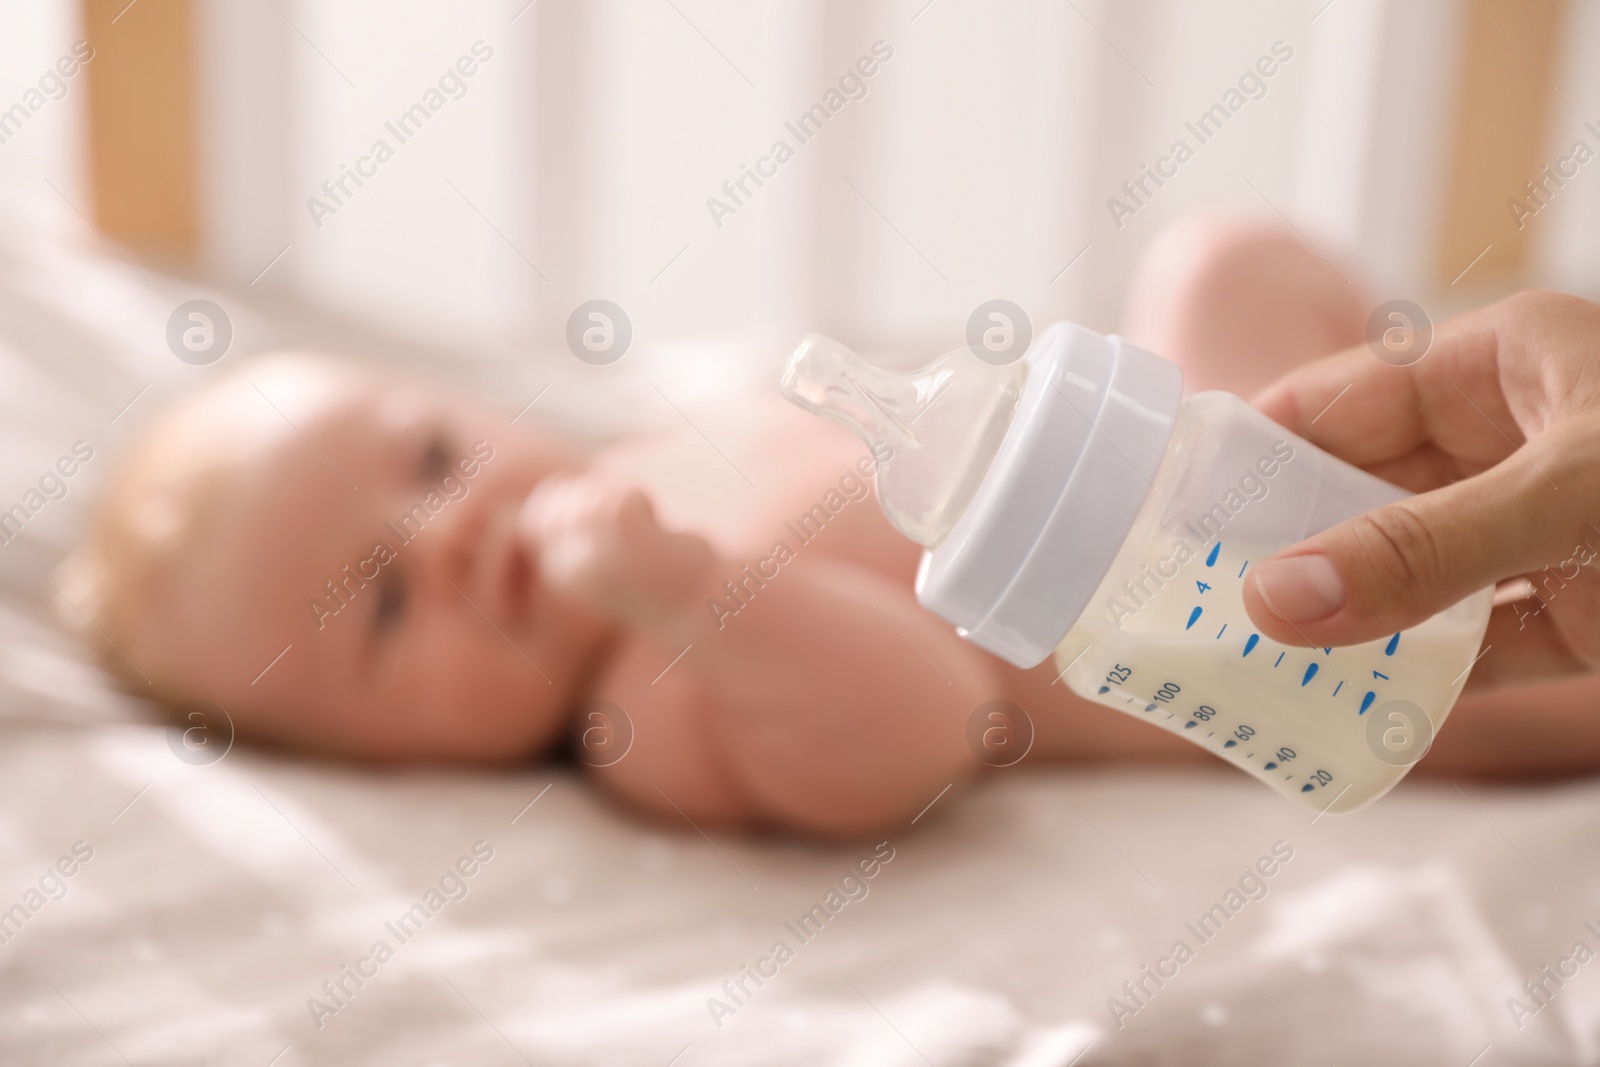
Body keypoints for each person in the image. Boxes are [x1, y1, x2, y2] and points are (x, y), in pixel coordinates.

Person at [63, 215, 1600, 839]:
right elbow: (930, 720)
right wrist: (691, 595)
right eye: (383, 608)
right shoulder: (645, 710)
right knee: (1522, 685)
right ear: (389, 767)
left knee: (1220, 265)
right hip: (1299, 655)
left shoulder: (677, 429)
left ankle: (1466, 483)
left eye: (428, 456)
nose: (450, 533)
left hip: (1239, 488)